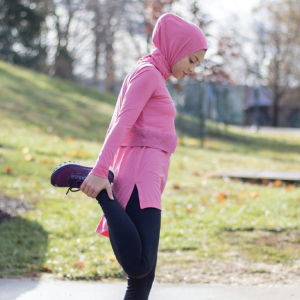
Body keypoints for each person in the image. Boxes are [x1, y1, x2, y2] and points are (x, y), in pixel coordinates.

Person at [81, 13, 206, 300]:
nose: (192, 70)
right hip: (140, 176)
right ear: (176, 47)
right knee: (140, 267)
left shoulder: (154, 75)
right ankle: (102, 192)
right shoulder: (148, 73)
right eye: (191, 60)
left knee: (142, 280)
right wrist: (100, 172)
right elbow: (122, 123)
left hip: (150, 177)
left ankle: (103, 188)